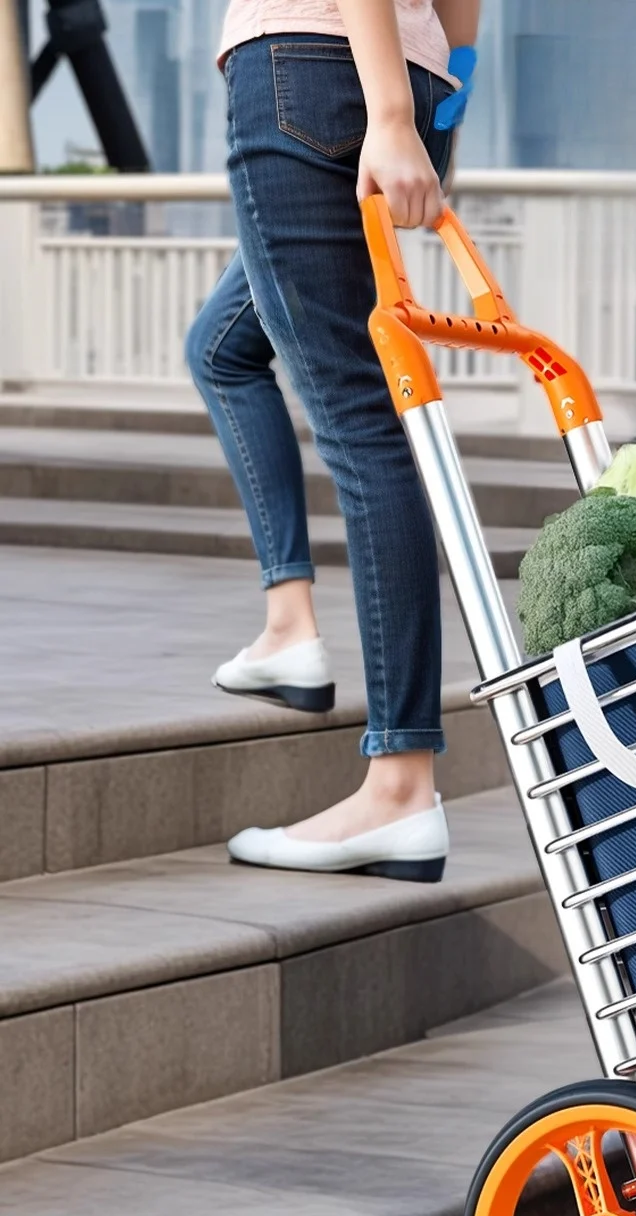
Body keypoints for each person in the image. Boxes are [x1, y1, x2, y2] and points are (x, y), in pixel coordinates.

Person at [186, 0, 480, 883]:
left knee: (360, 419)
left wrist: (392, 117)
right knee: (223, 346)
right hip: (401, 73)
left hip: (308, 68)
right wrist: (433, 104)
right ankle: (289, 628)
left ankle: (399, 785)